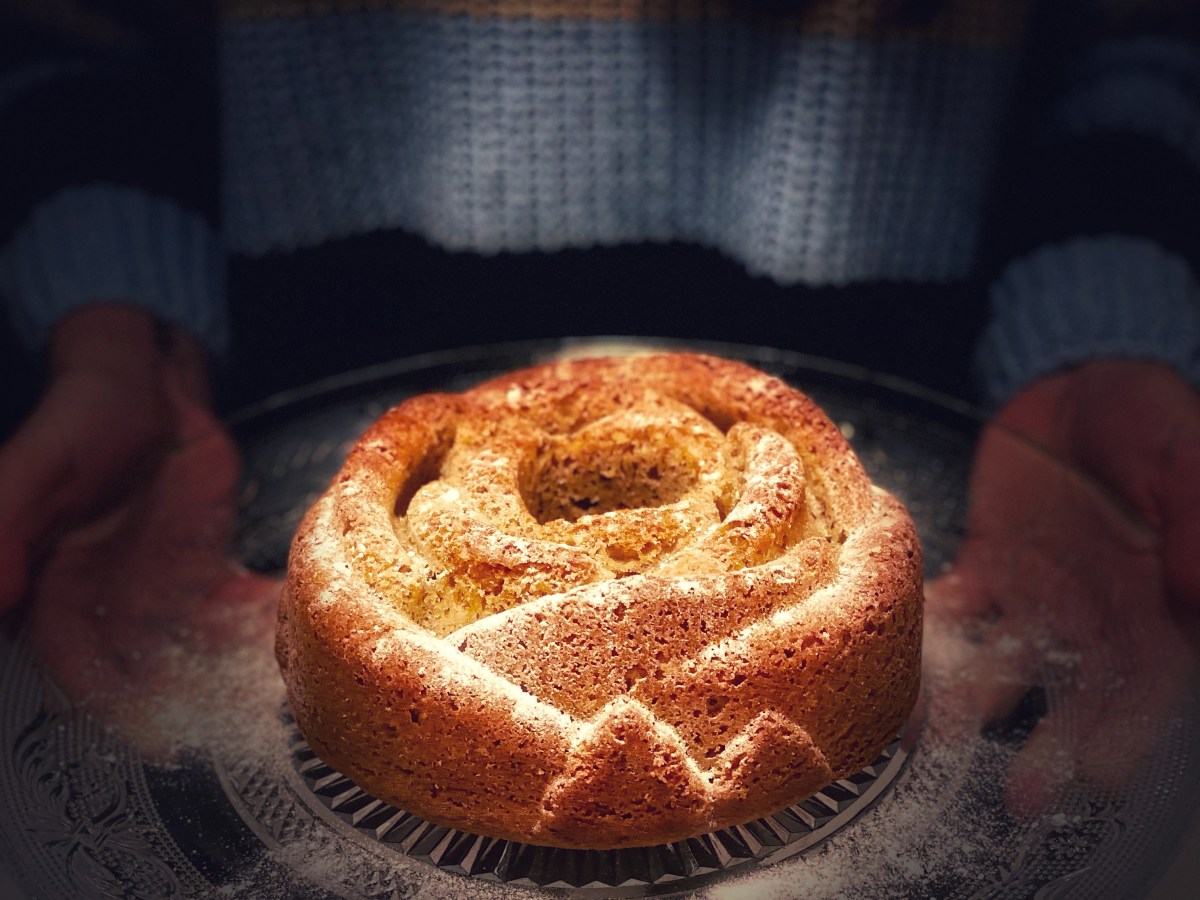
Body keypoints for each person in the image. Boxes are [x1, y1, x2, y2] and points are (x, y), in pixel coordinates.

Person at [1, 0, 1198, 821]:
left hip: (957, 442)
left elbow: (1146, 33)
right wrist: (122, 322)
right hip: (256, 446)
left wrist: (1103, 316)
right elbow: (64, 31)